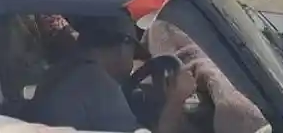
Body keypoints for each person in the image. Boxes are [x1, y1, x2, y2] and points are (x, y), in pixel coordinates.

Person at [26, 14, 197, 133]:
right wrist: (176, 99)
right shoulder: (96, 83)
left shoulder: (61, 71)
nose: (132, 61)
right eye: (133, 51)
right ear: (123, 46)